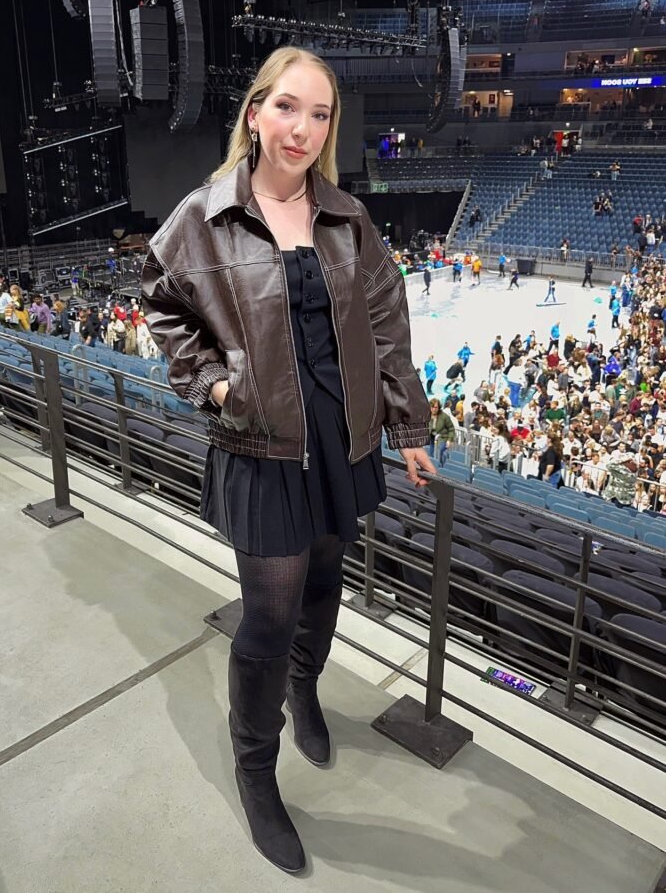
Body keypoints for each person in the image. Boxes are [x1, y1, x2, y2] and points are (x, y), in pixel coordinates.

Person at [140, 46, 434, 874]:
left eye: (319, 114)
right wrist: (214, 385)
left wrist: (408, 427)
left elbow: (386, 324)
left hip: (340, 439)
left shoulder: (346, 216)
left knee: (325, 581)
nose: (302, 128)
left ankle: (305, 687)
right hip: (261, 442)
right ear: (255, 113)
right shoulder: (203, 216)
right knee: (268, 616)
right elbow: (161, 304)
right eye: (287, 107)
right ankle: (255, 768)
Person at [427, 398, 455, 464]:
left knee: (439, 451)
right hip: (432, 438)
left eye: (435, 407)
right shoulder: (428, 415)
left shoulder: (444, 417)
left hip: (443, 438)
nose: (434, 409)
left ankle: (440, 466)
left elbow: (451, 429)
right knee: (431, 453)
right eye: (432, 407)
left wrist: (449, 440)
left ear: (439, 407)